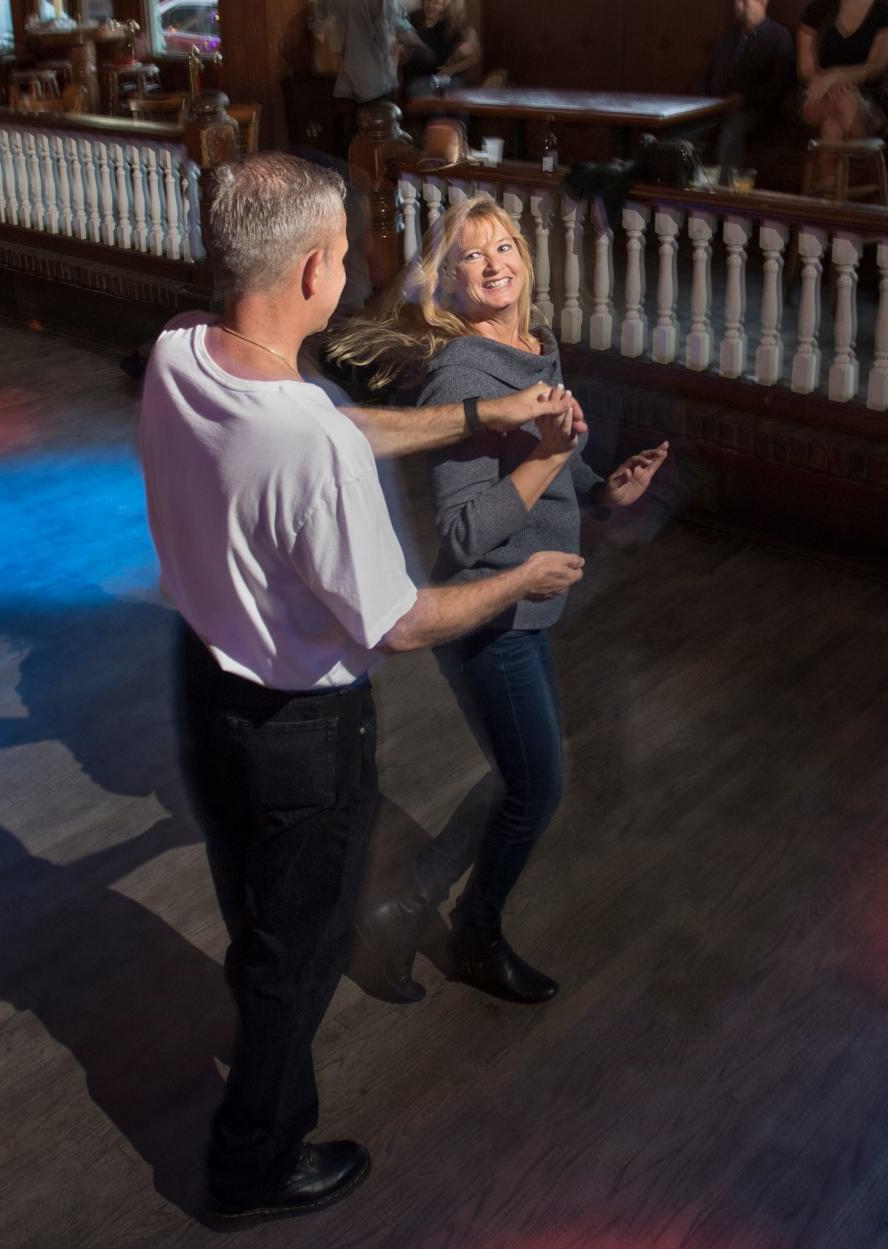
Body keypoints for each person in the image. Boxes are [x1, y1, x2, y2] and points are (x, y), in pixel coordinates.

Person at [139, 153, 584, 1231]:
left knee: (261, 923)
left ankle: (260, 1045)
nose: (352, 268)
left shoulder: (182, 352)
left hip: (202, 688)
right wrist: (523, 578)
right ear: (308, 273)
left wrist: (481, 421)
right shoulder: (307, 448)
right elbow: (402, 623)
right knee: (303, 954)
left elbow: (332, 428)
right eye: (342, 253)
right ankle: (255, 1164)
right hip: (298, 735)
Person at [328, 194, 668, 1007]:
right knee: (536, 785)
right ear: (446, 281)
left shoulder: (532, 348)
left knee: (526, 777)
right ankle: (456, 927)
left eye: (506, 245)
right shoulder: (464, 371)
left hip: (528, 606)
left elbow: (555, 466)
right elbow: (465, 529)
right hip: (486, 613)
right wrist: (554, 464)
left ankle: (406, 909)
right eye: (472, 255)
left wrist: (602, 490)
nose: (496, 263)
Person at [699, 0, 794, 179]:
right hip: (717, 105)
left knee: (733, 129)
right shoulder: (728, 36)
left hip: (757, 108)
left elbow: (780, 85)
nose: (738, 6)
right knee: (686, 127)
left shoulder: (779, 36)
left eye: (744, 1)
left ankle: (726, 191)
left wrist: (745, 99)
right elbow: (707, 75)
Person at [797, 0, 888, 184]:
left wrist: (837, 76)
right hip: (817, 92)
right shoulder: (818, 8)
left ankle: (829, 200)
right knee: (843, 99)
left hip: (866, 96)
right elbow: (805, 69)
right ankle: (875, 177)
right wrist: (828, 82)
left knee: (832, 127)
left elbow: (876, 67)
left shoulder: (883, 10)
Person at [309, 0, 426, 105]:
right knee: (380, 124)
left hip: (347, 77)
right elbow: (396, 28)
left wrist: (334, 47)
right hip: (377, 78)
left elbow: (315, 22)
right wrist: (415, 46)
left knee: (353, 124)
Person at [404, 0, 480, 96]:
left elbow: (473, 58)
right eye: (427, 1)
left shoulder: (451, 24)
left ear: (444, 6)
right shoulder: (411, 19)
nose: (430, 6)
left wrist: (452, 69)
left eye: (436, 2)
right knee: (430, 100)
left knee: (457, 102)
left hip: (447, 80)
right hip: (421, 80)